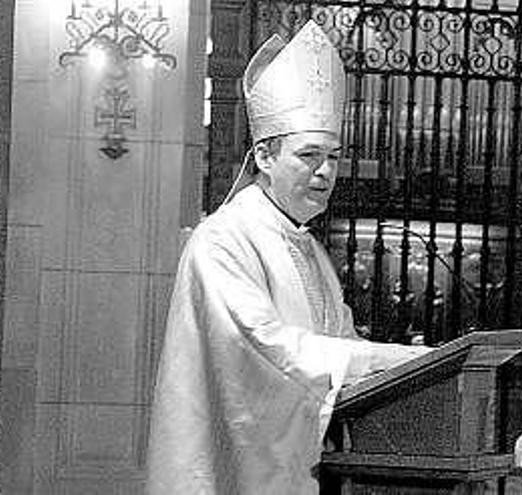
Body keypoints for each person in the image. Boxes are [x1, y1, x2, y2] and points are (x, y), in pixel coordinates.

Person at [146, 21, 428, 494]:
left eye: (334, 157)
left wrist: (402, 370)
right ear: (263, 156)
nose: (325, 172)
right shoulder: (223, 241)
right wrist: (383, 359)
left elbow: (339, 345)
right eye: (309, 155)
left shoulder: (307, 249)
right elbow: (266, 352)